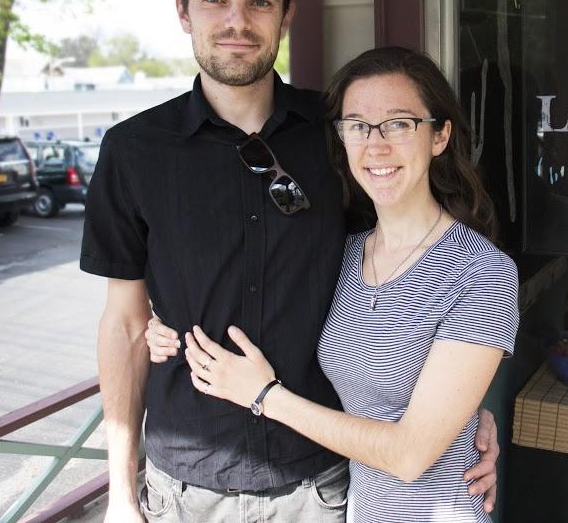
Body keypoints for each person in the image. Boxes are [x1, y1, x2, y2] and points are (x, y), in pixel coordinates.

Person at [81, 0, 500, 523]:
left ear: (286, 15)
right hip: (185, 485)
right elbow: (124, 326)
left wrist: (460, 412)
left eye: (259, 3)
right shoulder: (133, 150)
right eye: (214, 0)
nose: (236, 22)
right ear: (182, 11)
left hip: (325, 482)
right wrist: (120, 493)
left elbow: (405, 273)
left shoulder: (342, 137)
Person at [149, 47, 519, 522]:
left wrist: (264, 396)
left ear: (440, 136)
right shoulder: (345, 253)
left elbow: (410, 455)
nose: (376, 145)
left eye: (400, 123)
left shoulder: (481, 272)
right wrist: (162, 323)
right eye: (358, 126)